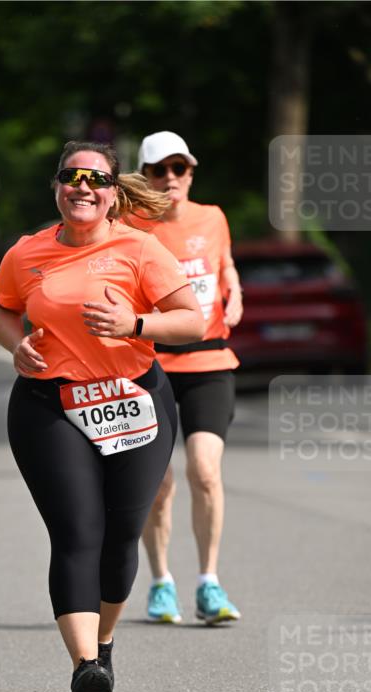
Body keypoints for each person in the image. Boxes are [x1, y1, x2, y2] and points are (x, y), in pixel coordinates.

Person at [0, 141, 204, 692]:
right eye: (70, 176)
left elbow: (191, 321)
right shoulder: (27, 252)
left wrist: (134, 321)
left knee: (121, 534)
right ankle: (85, 668)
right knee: (77, 532)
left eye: (95, 178)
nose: (82, 187)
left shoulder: (139, 248)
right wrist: (17, 344)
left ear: (112, 193)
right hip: (49, 406)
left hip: (134, 401)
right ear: (56, 187)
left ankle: (103, 645)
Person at [134, 131, 243, 626]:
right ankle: (161, 583)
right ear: (144, 176)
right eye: (160, 170)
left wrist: (235, 292)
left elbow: (223, 265)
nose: (171, 179)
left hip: (211, 361)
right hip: (150, 362)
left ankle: (209, 583)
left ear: (192, 172)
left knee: (205, 470)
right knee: (157, 485)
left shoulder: (213, 217)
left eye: (180, 169)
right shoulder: (131, 227)